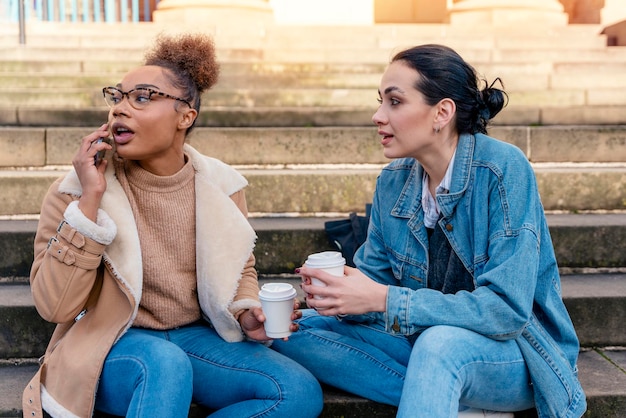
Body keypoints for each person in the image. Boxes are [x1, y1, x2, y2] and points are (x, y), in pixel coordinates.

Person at [272, 44, 586, 418]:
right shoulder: (394, 182)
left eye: (394, 102)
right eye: (380, 102)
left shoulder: (502, 171)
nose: (377, 115)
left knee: (439, 346)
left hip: (519, 357)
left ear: (442, 112)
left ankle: (442, 387)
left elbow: (506, 312)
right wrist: (339, 297)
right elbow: (375, 290)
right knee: (289, 331)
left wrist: (385, 300)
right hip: (420, 341)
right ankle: (443, 394)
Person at [22, 32, 323, 418]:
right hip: (112, 345)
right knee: (164, 364)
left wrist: (246, 314)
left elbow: (240, 269)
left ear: (186, 116)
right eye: (118, 97)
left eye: (142, 97)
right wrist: (90, 202)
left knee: (295, 391)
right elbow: (55, 305)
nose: (119, 109)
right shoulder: (75, 192)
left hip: (193, 338)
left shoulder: (221, 186)